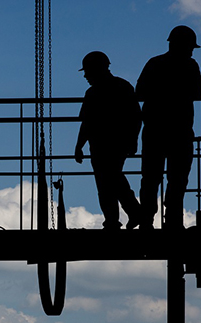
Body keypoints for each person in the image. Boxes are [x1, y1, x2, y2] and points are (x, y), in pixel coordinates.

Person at [136, 25, 201, 230]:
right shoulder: (190, 66)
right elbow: (196, 93)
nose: (192, 50)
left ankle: (146, 220)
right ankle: (173, 220)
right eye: (190, 46)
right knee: (178, 178)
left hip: (155, 130)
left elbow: (139, 93)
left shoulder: (155, 63)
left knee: (150, 178)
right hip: (180, 131)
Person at [75, 51, 143, 230]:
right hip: (113, 143)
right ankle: (127, 215)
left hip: (103, 145)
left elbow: (87, 123)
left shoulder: (93, 93)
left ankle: (119, 218)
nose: (86, 76)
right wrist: (133, 140)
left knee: (107, 181)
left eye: (88, 71)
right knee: (112, 179)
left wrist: (79, 146)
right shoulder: (122, 87)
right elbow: (136, 117)